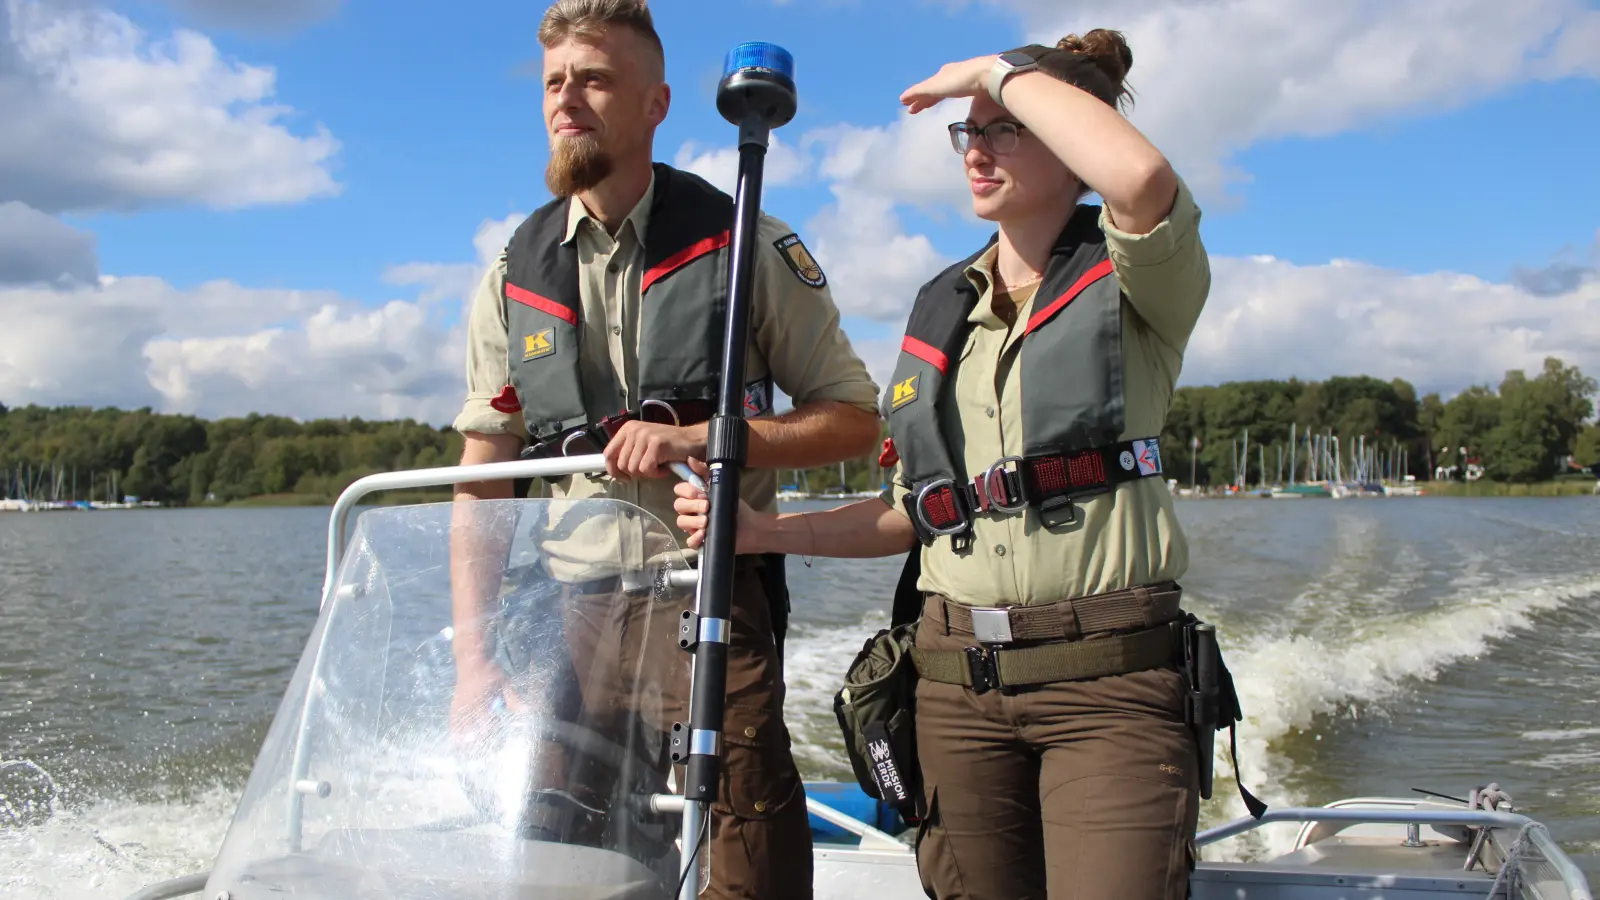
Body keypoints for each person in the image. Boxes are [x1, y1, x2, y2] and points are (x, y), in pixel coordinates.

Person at [677, 29, 1211, 900]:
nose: (978, 149)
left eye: (1006, 128)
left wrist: (992, 73)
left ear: (1070, 139)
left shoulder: (1138, 278)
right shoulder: (942, 309)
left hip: (1110, 689)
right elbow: (908, 513)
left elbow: (1143, 182)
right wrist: (762, 531)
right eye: (971, 131)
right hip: (956, 692)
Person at [447, 1, 882, 897]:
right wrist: (474, 659)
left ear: (655, 104)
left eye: (595, 79)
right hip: (566, 612)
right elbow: (481, 480)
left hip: (709, 589)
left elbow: (854, 419)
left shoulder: (745, 244)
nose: (569, 99)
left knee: (745, 850)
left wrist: (697, 436)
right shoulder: (509, 274)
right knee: (562, 856)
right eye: (555, 83)